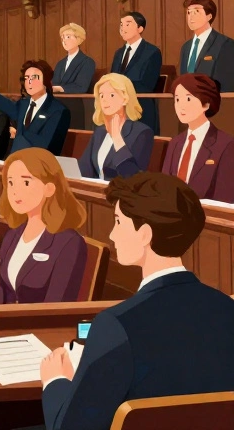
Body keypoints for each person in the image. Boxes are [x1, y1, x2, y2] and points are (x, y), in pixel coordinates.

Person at [39, 172, 234, 430]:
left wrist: (55, 381)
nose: (111, 234)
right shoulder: (227, 310)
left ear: (144, 234)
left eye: (118, 222)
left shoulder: (116, 325)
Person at [0, 148, 87, 304]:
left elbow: (57, 308)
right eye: (10, 182)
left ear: (49, 188)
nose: (14, 191)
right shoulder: (13, 235)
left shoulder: (68, 242)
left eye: (25, 182)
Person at [0, 41, 71, 155]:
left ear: (46, 80)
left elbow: (46, 145)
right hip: (14, 162)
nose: (29, 82)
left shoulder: (59, 110)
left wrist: (19, 134)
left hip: (39, 166)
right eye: (26, 78)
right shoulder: (23, 105)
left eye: (34, 77)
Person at [163, 73, 234, 201]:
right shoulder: (175, 143)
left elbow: (225, 198)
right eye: (177, 99)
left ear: (206, 104)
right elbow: (163, 186)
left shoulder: (226, 145)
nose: (180, 106)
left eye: (188, 99)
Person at [77, 73, 153, 180]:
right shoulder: (100, 131)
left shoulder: (142, 132)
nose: (104, 100)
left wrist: (117, 136)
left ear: (125, 98)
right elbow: (84, 168)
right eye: (101, 95)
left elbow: (132, 176)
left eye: (112, 95)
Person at [111, 10, 163, 133]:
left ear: (140, 28)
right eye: (121, 24)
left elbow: (147, 84)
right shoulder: (118, 53)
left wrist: (121, 88)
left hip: (141, 108)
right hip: (119, 109)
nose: (123, 28)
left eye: (128, 24)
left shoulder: (152, 52)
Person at [179, 0, 234, 91]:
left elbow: (227, 85)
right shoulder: (186, 47)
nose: (191, 17)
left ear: (209, 16)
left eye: (196, 11)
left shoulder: (225, 44)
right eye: (188, 12)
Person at [51, 23, 95, 93]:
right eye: (62, 38)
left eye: (68, 37)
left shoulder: (87, 62)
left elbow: (81, 87)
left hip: (76, 101)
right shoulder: (60, 64)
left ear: (78, 39)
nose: (64, 41)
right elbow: (54, 83)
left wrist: (60, 88)